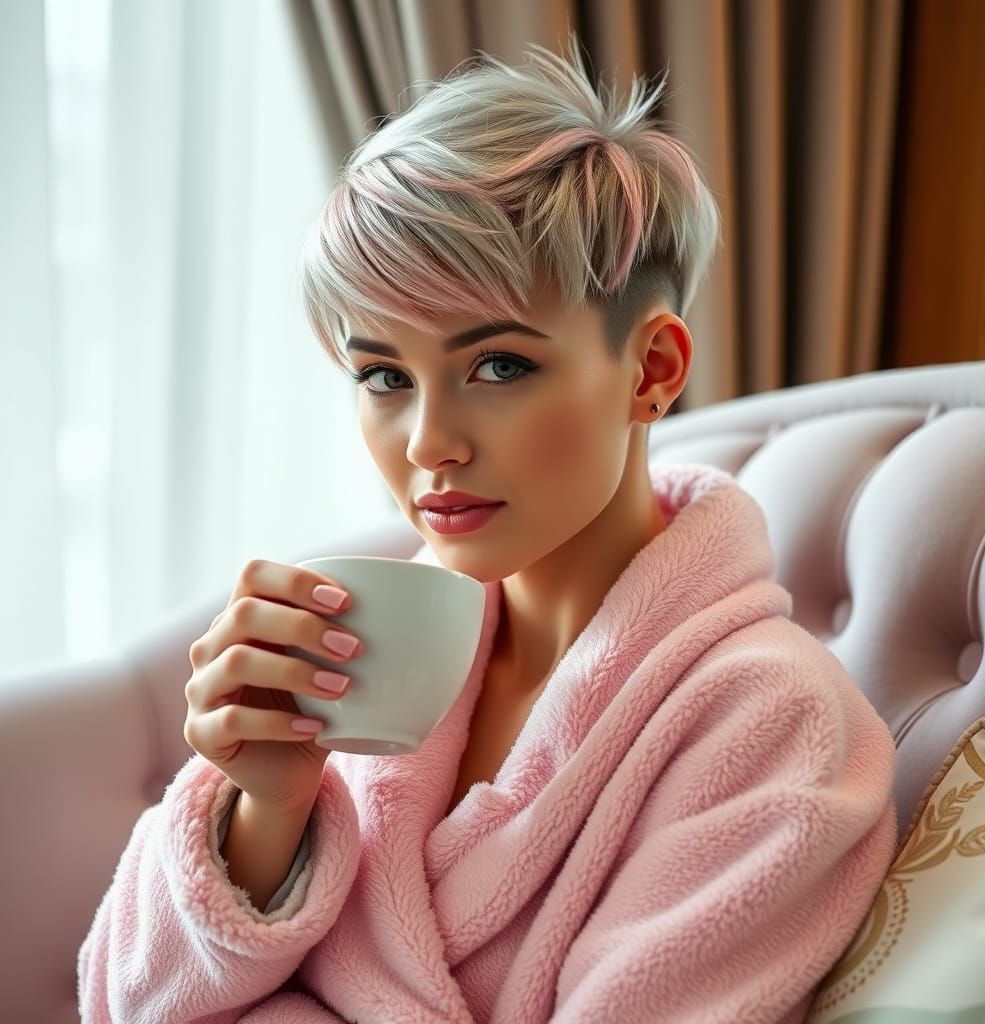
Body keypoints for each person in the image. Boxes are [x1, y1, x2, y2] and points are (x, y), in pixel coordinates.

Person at [77, 32, 898, 1023]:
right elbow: (123, 1000)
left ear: (651, 372)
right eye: (382, 376)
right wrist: (267, 806)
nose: (429, 443)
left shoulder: (771, 722)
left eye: (498, 366)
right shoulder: (358, 653)